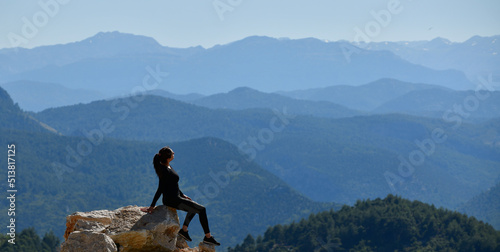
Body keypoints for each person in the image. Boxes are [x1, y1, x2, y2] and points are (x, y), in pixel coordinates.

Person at [146, 146, 220, 246]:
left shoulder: (168, 166)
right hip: (171, 200)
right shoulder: (164, 170)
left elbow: (173, 183)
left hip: (176, 197)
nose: (174, 153)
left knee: (193, 207)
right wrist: (152, 206)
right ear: (168, 157)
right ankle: (208, 237)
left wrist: (182, 195)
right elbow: (160, 189)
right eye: (172, 153)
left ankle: (184, 230)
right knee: (201, 210)